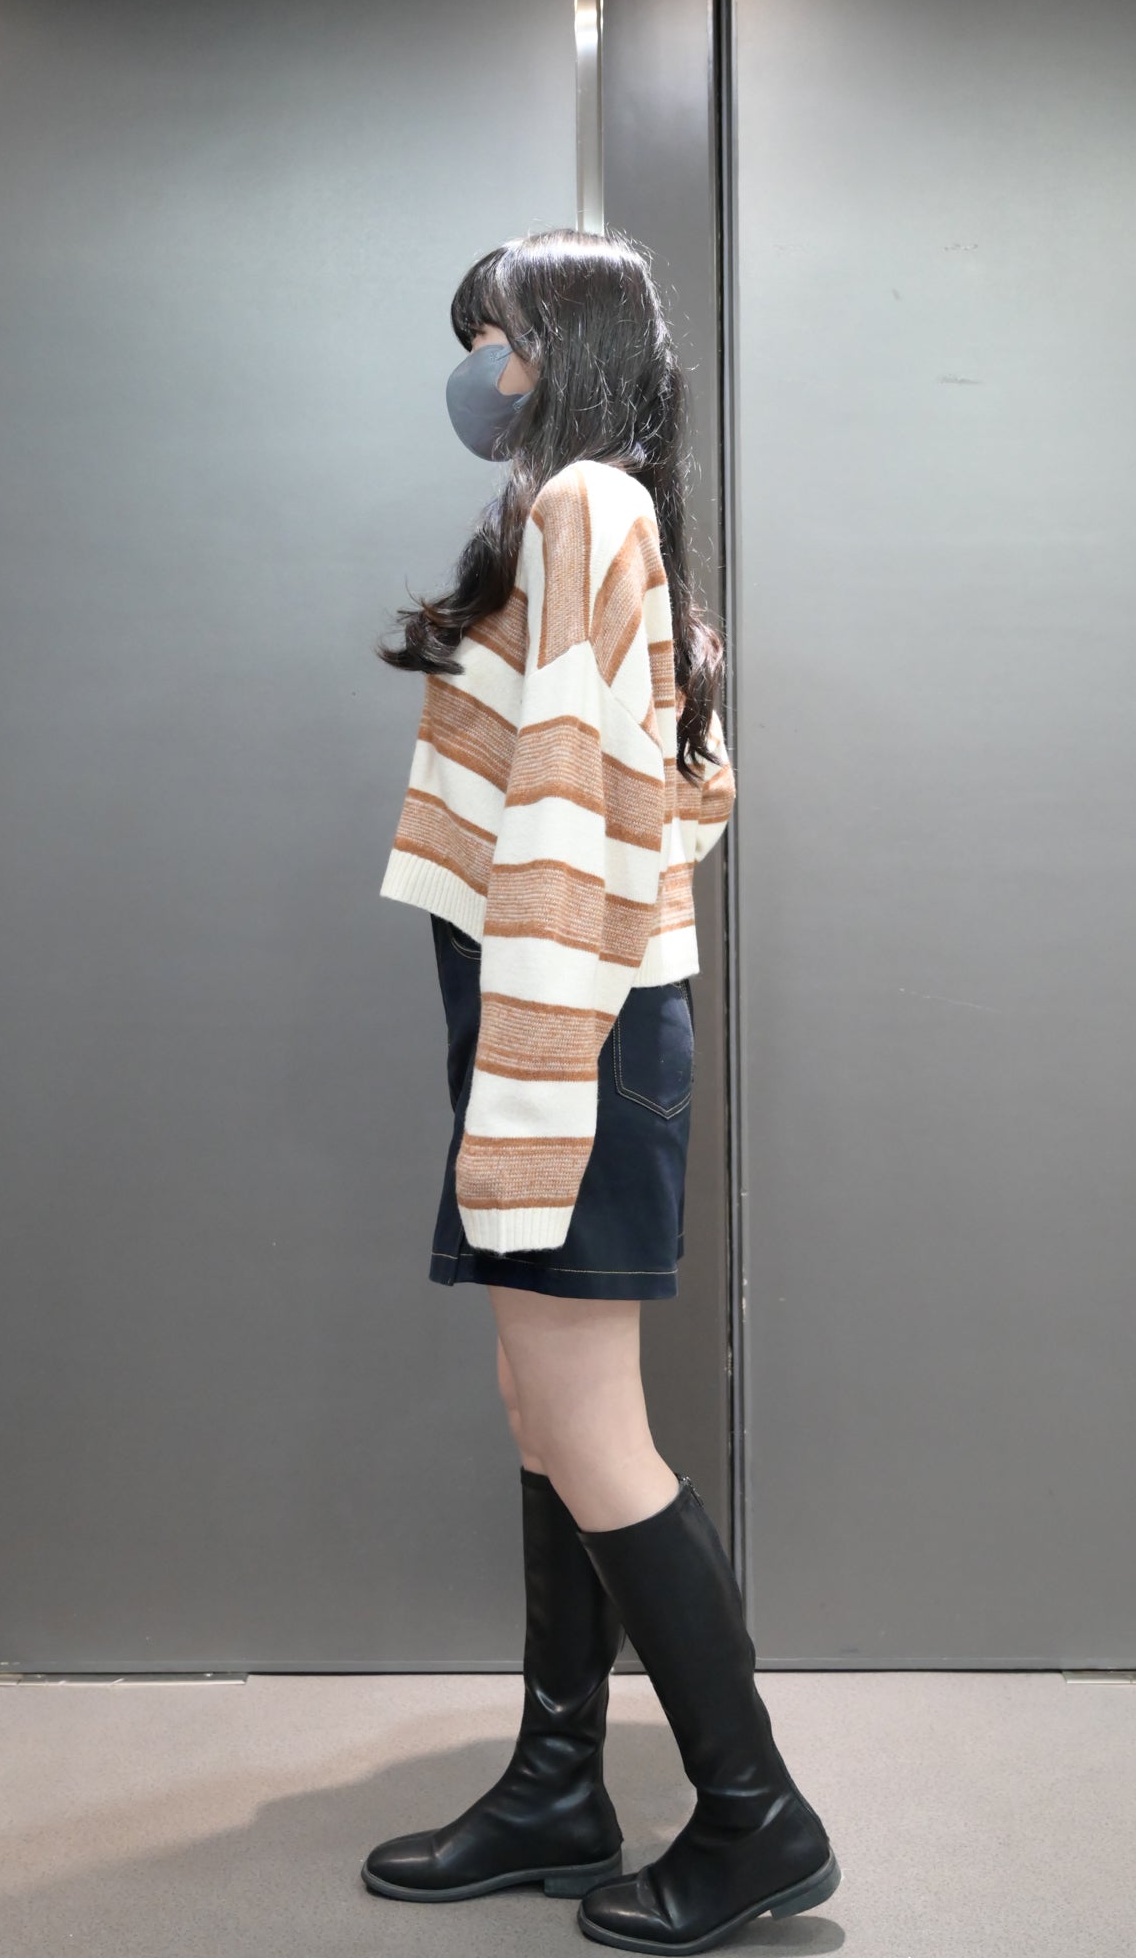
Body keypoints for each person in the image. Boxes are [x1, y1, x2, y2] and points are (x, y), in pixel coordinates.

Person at [361, 228, 841, 1952]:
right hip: (559, 1014)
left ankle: (755, 1818)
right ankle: (557, 1786)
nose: (475, 371)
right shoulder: (610, 515)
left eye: (489, 337)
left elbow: (574, 817)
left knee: (587, 1429)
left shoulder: (584, 507)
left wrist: (529, 1083)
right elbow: (680, 794)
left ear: (552, 347)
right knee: (538, 1411)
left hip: (564, 1024)